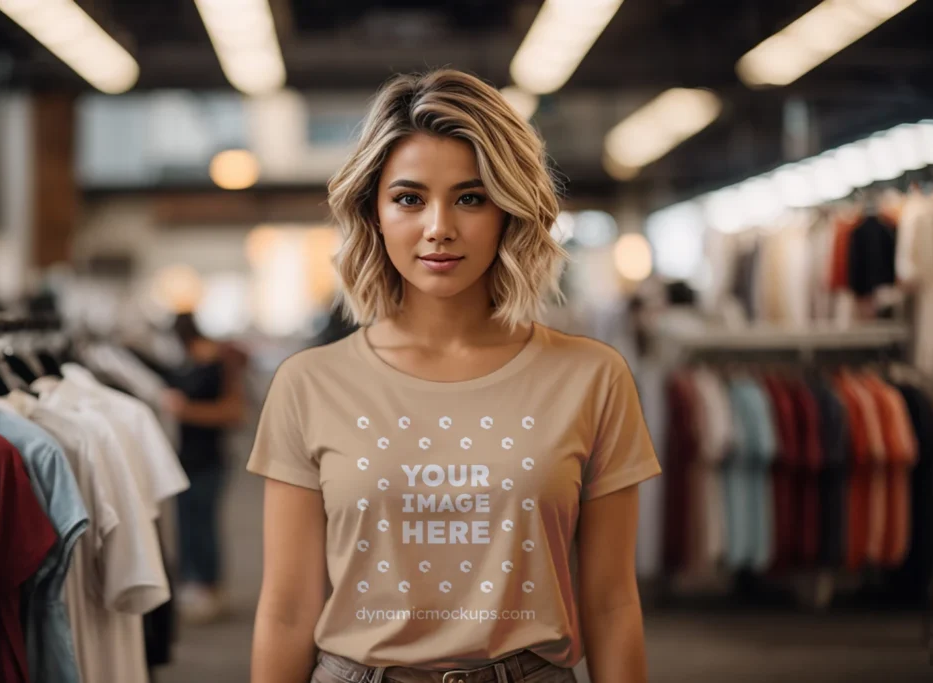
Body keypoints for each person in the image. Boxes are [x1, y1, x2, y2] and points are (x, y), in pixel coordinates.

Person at [247, 70, 662, 683]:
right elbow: (286, 611)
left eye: (470, 197)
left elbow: (611, 602)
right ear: (374, 213)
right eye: (409, 198)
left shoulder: (593, 378)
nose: (439, 226)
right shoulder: (308, 384)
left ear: (509, 211)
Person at [163, 312, 246, 623]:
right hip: (183, 457)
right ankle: (192, 584)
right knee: (186, 523)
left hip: (210, 457)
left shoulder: (220, 364)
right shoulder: (185, 365)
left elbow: (234, 412)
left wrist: (186, 411)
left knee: (203, 524)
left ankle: (209, 587)